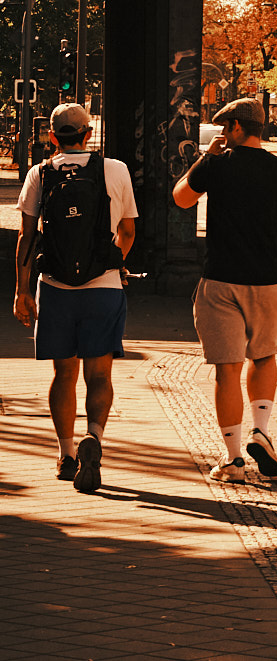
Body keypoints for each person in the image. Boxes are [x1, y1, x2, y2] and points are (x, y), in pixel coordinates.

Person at [173, 97, 277, 483]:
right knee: (265, 357)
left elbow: (181, 198)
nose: (222, 135)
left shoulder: (216, 166)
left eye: (225, 128)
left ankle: (234, 459)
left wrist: (206, 158)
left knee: (227, 370)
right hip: (269, 283)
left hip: (221, 282)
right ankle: (262, 431)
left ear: (236, 127)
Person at [11, 104, 136, 494]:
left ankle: (66, 455)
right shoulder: (114, 170)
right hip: (104, 288)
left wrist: (22, 291)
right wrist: (112, 263)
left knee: (63, 374)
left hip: (55, 287)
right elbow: (128, 231)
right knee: (99, 375)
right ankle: (93, 436)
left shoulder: (40, 173)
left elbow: (27, 237)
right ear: (88, 134)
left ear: (52, 137)